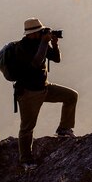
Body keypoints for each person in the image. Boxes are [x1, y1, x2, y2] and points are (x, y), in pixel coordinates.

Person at [14, 17, 79, 167]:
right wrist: (44, 42)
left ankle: (64, 129)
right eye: (39, 32)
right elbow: (36, 63)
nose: (41, 34)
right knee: (27, 128)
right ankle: (26, 160)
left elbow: (56, 59)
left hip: (44, 87)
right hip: (28, 93)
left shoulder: (39, 43)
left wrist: (54, 45)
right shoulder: (22, 48)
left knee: (71, 96)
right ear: (31, 33)